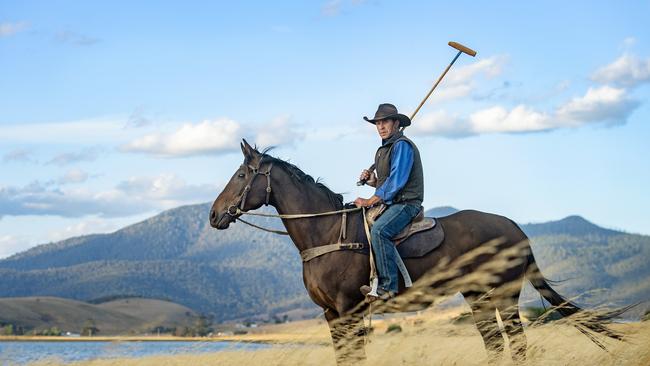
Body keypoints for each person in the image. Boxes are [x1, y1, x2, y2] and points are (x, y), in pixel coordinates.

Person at [354, 103, 424, 302]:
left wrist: (370, 200)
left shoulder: (402, 145)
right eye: (377, 123)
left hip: (407, 203)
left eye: (385, 122)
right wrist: (373, 182)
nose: (381, 126)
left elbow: (396, 182)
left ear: (396, 123)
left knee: (380, 231)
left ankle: (388, 287)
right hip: (392, 203)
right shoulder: (383, 150)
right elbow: (386, 184)